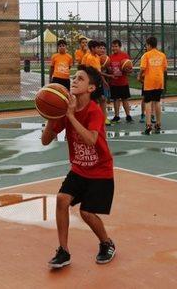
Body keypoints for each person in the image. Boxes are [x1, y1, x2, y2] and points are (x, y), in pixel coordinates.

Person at [41, 65, 116, 269]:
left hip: (100, 170)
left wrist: (71, 116)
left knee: (87, 213)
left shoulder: (94, 111)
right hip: (79, 169)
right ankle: (63, 251)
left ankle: (107, 243)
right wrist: (52, 118)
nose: (74, 80)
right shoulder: (64, 111)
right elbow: (45, 141)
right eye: (73, 77)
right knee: (62, 200)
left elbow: (91, 140)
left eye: (80, 78)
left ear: (91, 88)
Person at [138, 36, 167, 135]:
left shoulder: (146, 55)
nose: (146, 46)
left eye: (146, 45)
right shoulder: (162, 55)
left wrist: (139, 76)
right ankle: (158, 124)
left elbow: (142, 68)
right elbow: (164, 69)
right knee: (157, 102)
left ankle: (148, 125)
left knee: (148, 103)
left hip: (149, 81)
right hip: (159, 81)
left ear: (149, 45)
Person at [82, 40, 111, 126]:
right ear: (92, 48)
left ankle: (103, 118)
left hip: (98, 81)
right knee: (94, 101)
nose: (99, 49)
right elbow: (97, 72)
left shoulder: (97, 57)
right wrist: (108, 77)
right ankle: (91, 119)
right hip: (92, 82)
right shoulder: (90, 58)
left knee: (102, 99)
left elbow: (99, 70)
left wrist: (104, 81)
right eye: (98, 48)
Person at [107, 39, 133, 123]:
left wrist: (127, 70)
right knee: (115, 99)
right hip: (114, 82)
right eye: (113, 46)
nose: (114, 48)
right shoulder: (110, 57)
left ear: (120, 47)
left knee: (125, 99)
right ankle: (117, 116)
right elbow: (109, 69)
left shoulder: (125, 56)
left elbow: (130, 69)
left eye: (116, 46)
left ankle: (128, 115)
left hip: (123, 81)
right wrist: (109, 70)